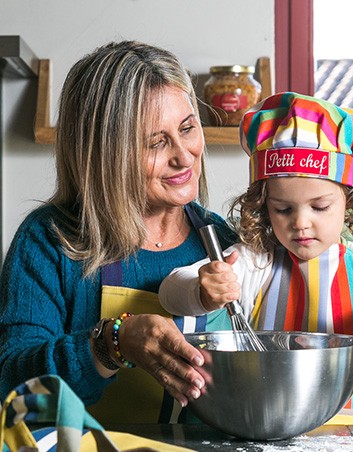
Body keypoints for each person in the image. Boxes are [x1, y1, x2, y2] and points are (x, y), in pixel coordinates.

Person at [159, 92, 353, 425]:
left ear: (351, 203)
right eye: (282, 209)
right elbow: (171, 291)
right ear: (264, 207)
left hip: (350, 441)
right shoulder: (255, 262)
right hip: (265, 428)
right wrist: (202, 290)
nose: (300, 222)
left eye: (320, 207)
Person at [0, 40, 237, 425]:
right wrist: (111, 343)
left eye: (187, 128)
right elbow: (12, 387)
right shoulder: (50, 241)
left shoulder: (219, 239)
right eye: (156, 142)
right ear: (105, 153)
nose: (183, 155)